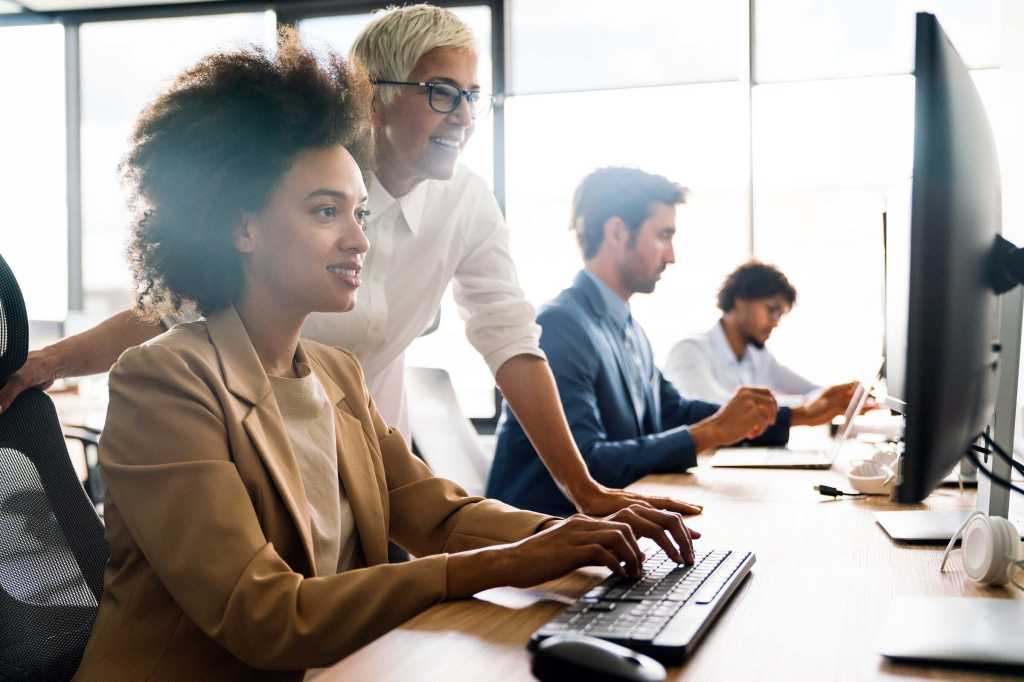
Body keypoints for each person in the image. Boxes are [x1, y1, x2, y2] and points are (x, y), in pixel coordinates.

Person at [71, 34, 700, 681]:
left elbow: (441, 516)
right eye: (325, 212)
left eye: (360, 213)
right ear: (241, 228)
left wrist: (571, 537)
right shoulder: (164, 383)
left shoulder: (335, 374)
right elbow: (264, 614)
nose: (358, 239)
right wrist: (503, 564)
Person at [0, 3, 698, 524]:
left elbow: (510, 341)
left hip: (365, 459)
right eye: (439, 92)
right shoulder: (301, 192)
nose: (461, 114)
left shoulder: (468, 204)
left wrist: (585, 495)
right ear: (375, 95)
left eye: (471, 96)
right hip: (251, 453)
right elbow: (172, 310)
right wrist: (46, 363)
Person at [486, 167, 848, 516]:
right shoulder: (560, 326)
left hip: (606, 527)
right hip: (545, 536)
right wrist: (713, 431)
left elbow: (674, 412)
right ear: (617, 232)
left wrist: (800, 415)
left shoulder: (628, 328)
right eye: (663, 235)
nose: (671, 256)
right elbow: (588, 464)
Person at [664, 261, 855, 412]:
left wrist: (843, 396)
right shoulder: (690, 351)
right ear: (740, 300)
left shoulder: (759, 357)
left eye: (780, 314)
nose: (775, 322)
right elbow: (715, 412)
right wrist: (807, 406)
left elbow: (813, 391)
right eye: (771, 310)